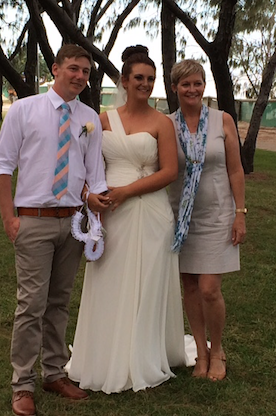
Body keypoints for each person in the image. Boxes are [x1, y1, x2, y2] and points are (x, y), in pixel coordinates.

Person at [0, 44, 109, 416]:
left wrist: (95, 207)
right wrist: (9, 219)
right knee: (31, 304)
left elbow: (94, 173)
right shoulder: (24, 110)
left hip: (72, 223)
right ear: (55, 69)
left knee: (59, 302)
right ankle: (22, 384)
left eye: (85, 71)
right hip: (34, 220)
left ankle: (54, 372)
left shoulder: (89, 119)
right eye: (73, 68)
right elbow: (2, 166)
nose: (80, 76)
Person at [66, 45, 186, 394]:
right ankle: (105, 353)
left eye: (150, 79)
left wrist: (127, 192)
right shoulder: (102, 120)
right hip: (111, 212)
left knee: (147, 280)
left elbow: (169, 172)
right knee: (111, 279)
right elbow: (84, 167)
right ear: (124, 80)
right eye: (139, 78)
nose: (145, 84)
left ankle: (142, 353)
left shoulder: (162, 123)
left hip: (150, 211)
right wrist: (91, 195)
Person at [168, 59, 246, 381]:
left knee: (209, 288)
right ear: (175, 87)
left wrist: (240, 213)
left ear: (204, 85)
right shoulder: (166, 125)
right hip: (180, 217)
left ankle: (217, 350)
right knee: (189, 286)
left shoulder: (222, 120)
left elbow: (235, 170)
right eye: (185, 84)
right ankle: (200, 352)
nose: (192, 89)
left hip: (217, 215)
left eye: (197, 83)